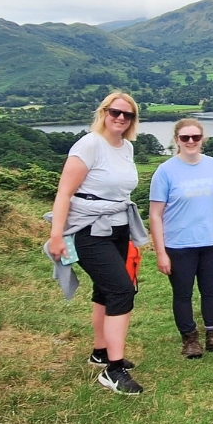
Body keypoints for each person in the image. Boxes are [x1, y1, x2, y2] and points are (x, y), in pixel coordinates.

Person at [47, 92, 148, 395]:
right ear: (103, 112)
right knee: (121, 290)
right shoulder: (89, 144)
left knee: (105, 290)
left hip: (117, 227)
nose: (120, 118)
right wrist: (56, 235)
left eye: (127, 115)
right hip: (89, 229)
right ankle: (113, 371)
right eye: (115, 112)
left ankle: (100, 352)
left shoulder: (126, 147)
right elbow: (64, 192)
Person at [148, 119, 213, 359]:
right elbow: (155, 215)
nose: (190, 142)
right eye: (185, 138)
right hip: (179, 245)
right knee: (183, 294)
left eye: (195, 137)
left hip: (212, 241)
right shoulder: (165, 171)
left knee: (211, 291)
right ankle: (189, 340)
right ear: (176, 140)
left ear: (202, 139)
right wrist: (160, 252)